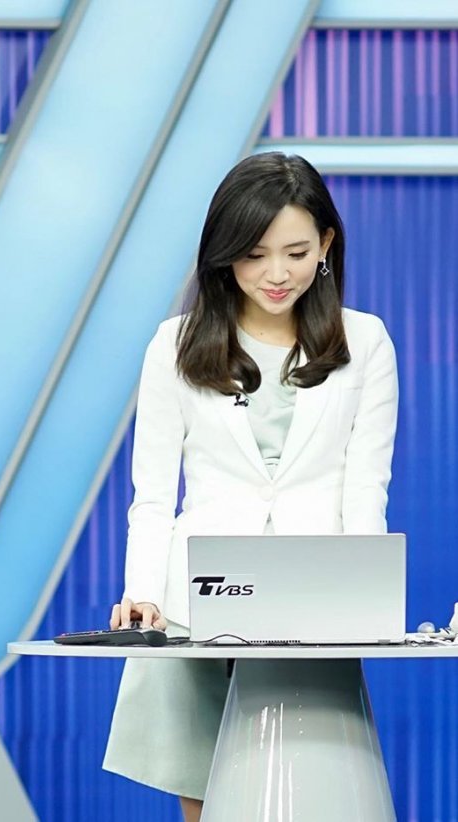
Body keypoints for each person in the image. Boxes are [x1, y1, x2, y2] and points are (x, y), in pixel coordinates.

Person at [102, 152, 399, 822]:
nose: (276, 274)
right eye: (254, 254)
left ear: (326, 244)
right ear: (224, 255)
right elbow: (153, 494)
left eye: (296, 252)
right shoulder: (175, 344)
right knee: (205, 796)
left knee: (315, 792)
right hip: (193, 605)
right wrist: (143, 596)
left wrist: (366, 597)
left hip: (313, 603)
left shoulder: (366, 342)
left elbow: (366, 487)